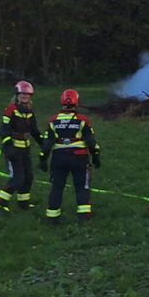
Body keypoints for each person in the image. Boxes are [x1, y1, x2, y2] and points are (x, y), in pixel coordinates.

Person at [39, 88, 101, 224]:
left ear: (62, 102)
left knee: (57, 187)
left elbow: (47, 143)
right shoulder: (82, 120)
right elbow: (91, 142)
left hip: (59, 158)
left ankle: (52, 218)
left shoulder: (53, 120)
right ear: (76, 103)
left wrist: (43, 159)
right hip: (79, 158)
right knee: (81, 186)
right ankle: (84, 218)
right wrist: (96, 156)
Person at [0, 80, 44, 214]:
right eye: (22, 94)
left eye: (27, 95)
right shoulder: (11, 110)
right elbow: (3, 130)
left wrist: (45, 144)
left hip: (25, 150)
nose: (25, 97)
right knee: (17, 179)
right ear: (17, 95)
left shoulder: (29, 111)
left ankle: (23, 203)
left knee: (28, 177)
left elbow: (34, 131)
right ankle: (0, 203)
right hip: (13, 150)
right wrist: (8, 147)